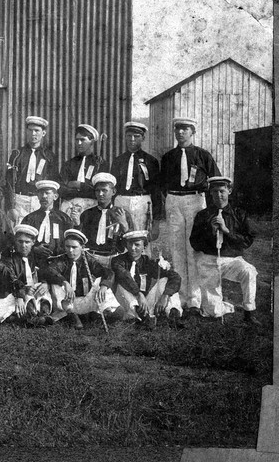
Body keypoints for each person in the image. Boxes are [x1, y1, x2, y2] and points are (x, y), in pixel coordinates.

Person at [159, 116, 220, 314]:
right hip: (174, 200)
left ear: (192, 132)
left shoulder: (203, 155)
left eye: (185, 129)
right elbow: (162, 184)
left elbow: (216, 181)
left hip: (195, 201)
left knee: (193, 248)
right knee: (177, 247)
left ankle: (194, 299)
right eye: (177, 129)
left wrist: (213, 210)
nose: (180, 133)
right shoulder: (168, 157)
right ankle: (180, 297)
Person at [189, 176, 260, 324]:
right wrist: (211, 232)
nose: (218, 195)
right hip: (209, 260)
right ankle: (224, 305)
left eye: (222, 191)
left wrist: (226, 231)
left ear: (229, 191)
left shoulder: (239, 214)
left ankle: (249, 312)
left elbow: (247, 241)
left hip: (232, 260)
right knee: (213, 313)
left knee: (249, 271)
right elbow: (194, 243)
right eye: (214, 192)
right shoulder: (203, 215)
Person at [43, 229, 120, 330]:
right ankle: (73, 316)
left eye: (74, 247)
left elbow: (108, 273)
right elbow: (50, 270)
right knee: (56, 284)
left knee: (99, 284)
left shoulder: (89, 260)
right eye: (67, 246)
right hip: (66, 302)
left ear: (82, 247)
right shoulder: (62, 260)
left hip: (84, 300)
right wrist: (65, 282)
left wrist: (104, 286)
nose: (70, 250)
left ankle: (103, 313)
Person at [111, 230, 182, 329]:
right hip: (127, 302)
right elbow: (124, 276)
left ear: (144, 247)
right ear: (126, 245)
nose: (133, 248)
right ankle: (140, 317)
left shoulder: (148, 262)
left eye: (137, 245)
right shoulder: (118, 261)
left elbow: (175, 276)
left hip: (144, 302)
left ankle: (172, 313)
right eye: (130, 244)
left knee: (165, 279)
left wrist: (165, 295)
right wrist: (138, 294)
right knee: (121, 285)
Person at [109, 122, 162, 243]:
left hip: (142, 203)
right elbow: (112, 187)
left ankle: (143, 261)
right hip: (121, 201)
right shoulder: (118, 160)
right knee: (120, 236)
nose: (132, 139)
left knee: (141, 239)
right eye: (129, 136)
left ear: (143, 138)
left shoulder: (150, 161)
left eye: (136, 136)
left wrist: (156, 222)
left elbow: (156, 191)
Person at [6, 116, 59, 225]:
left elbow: (53, 184)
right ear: (26, 132)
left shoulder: (49, 156)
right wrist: (11, 207)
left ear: (43, 133)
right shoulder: (17, 154)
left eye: (37, 131)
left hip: (39, 201)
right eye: (30, 130)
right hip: (20, 200)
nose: (33, 134)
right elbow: (9, 182)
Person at [79, 173, 134, 268]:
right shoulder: (87, 214)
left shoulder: (122, 214)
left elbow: (131, 243)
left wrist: (124, 224)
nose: (100, 194)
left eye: (104, 190)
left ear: (113, 191)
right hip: (91, 258)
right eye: (97, 191)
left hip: (114, 259)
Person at [4, 224, 54, 326]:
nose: (23, 245)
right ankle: (32, 317)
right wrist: (24, 289)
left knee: (43, 293)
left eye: (27, 242)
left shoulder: (37, 257)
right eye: (20, 241)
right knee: (23, 299)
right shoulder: (9, 259)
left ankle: (44, 315)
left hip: (35, 289)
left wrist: (45, 283)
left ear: (33, 243)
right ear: (15, 242)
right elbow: (11, 278)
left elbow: (45, 273)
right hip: (18, 290)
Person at [60, 124, 106, 225]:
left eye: (83, 140)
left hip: (91, 208)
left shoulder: (99, 163)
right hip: (69, 207)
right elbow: (62, 189)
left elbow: (98, 191)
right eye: (77, 140)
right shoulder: (69, 163)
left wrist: (78, 185)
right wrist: (85, 189)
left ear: (92, 141)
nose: (79, 143)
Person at [21, 180, 74, 261]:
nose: (44, 196)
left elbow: (71, 241)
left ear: (55, 196)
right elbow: (21, 241)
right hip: (34, 261)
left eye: (47, 193)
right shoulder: (29, 218)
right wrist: (34, 249)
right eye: (41, 193)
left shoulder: (64, 219)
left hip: (59, 262)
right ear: (37, 196)